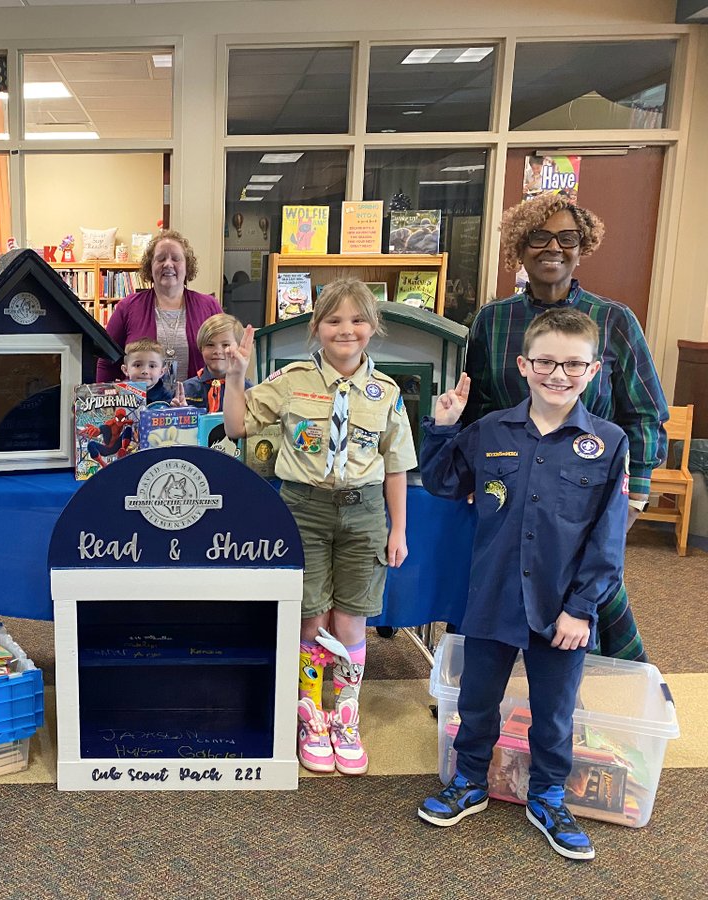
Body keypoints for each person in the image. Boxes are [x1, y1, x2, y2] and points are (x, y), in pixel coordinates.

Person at [417, 309, 627, 862]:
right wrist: (443, 426)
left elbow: (608, 538)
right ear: (523, 365)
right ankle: (469, 780)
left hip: (562, 608)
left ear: (594, 370)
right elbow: (443, 482)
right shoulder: (491, 431)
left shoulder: (608, 443)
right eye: (546, 362)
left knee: (554, 710)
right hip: (493, 595)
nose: (558, 374)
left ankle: (549, 796)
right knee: (477, 698)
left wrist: (582, 608)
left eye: (574, 364)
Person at [223, 278, 415, 776]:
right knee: (311, 616)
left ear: (373, 326)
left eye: (357, 319)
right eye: (333, 320)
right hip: (303, 509)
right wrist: (235, 377)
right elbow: (237, 426)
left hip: (365, 512)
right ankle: (310, 715)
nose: (346, 329)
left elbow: (396, 466)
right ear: (316, 327)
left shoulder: (386, 392)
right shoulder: (292, 380)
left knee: (351, 617)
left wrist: (398, 530)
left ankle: (345, 716)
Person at [463, 195, 668, 661]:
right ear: (520, 246)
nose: (553, 247)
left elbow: (645, 413)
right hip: (508, 495)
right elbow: (477, 407)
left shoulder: (614, 320)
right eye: (540, 236)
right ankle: (484, 690)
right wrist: (475, 473)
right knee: (496, 605)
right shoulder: (493, 320)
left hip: (583, 496)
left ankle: (574, 697)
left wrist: (634, 496)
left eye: (567, 237)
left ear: (582, 246)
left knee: (585, 603)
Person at [95, 230, 224, 387]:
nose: (168, 264)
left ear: (187, 266)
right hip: (142, 402)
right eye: (160, 259)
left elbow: (225, 357)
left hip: (198, 401)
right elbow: (107, 362)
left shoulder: (209, 306)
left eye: (176, 258)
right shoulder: (127, 307)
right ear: (150, 266)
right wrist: (104, 398)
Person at [183, 313, 252, 413]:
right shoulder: (187, 389)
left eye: (226, 345)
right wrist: (180, 411)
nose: (217, 351)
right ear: (201, 348)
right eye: (210, 345)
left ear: (239, 348)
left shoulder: (248, 390)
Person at [120, 338, 185, 405]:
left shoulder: (168, 400)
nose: (145, 371)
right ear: (125, 370)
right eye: (137, 365)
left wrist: (179, 410)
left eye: (152, 366)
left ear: (162, 372)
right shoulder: (119, 393)